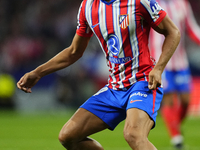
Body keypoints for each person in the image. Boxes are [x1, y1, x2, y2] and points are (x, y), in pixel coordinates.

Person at [17, 0, 180, 149]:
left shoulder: (138, 2)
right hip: (114, 88)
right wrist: (38, 73)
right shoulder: (87, 7)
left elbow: (173, 32)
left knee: (133, 134)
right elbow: (74, 51)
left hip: (142, 82)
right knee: (68, 136)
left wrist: (158, 68)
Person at [149, 0, 200, 149]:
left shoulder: (182, 3)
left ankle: (174, 125)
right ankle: (176, 138)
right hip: (160, 62)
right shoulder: (151, 3)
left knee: (186, 100)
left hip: (180, 61)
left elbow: (191, 28)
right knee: (169, 98)